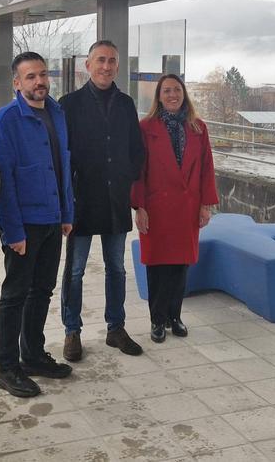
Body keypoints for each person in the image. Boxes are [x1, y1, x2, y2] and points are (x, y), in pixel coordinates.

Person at [0, 51, 75, 398]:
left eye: (42, 74)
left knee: (42, 291)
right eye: (30, 77)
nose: (39, 81)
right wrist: (13, 231)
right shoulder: (5, 120)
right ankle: (7, 368)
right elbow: (2, 181)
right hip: (25, 224)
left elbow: (62, 166)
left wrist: (67, 213)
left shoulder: (56, 112)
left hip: (54, 220)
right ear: (17, 82)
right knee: (14, 296)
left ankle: (34, 355)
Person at [59, 40, 145, 361]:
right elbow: (61, 154)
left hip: (115, 199)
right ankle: (72, 330)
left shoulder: (125, 104)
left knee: (117, 269)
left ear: (118, 67)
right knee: (76, 270)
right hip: (82, 200)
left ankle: (116, 328)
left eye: (111, 61)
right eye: (100, 60)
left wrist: (125, 177)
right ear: (88, 65)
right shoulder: (69, 104)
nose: (106, 66)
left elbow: (136, 150)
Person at [131, 74, 219, 343]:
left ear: (184, 94)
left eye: (177, 90)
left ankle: (174, 316)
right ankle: (157, 320)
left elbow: (206, 168)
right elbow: (138, 171)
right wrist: (139, 206)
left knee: (181, 265)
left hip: (187, 206)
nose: (172, 95)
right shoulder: (145, 128)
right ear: (158, 96)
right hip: (156, 207)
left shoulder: (198, 128)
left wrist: (206, 205)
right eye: (166, 90)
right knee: (157, 265)